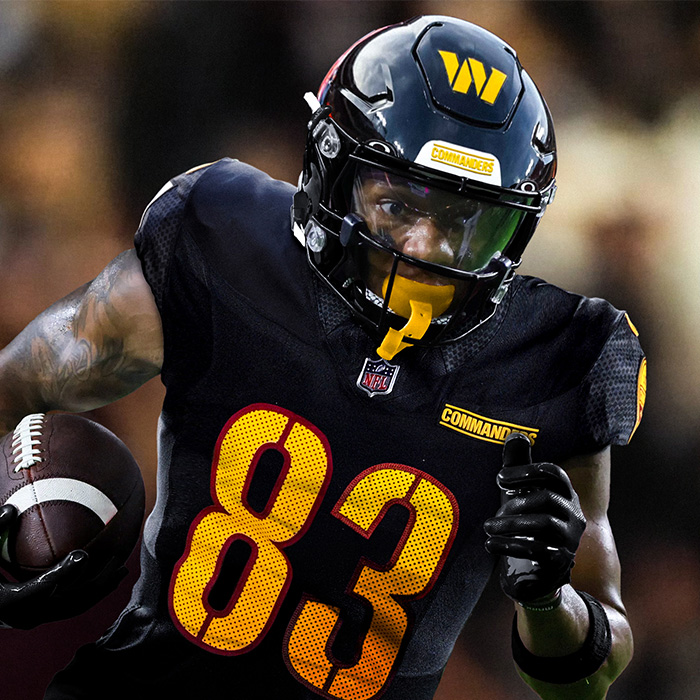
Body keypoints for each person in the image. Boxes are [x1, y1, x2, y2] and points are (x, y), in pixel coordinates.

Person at [0, 15, 645, 700]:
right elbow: (14, 385)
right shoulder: (224, 243)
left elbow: (589, 678)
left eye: (466, 221)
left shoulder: (558, 362)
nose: (425, 247)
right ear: (331, 166)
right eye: (396, 204)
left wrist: (549, 602)